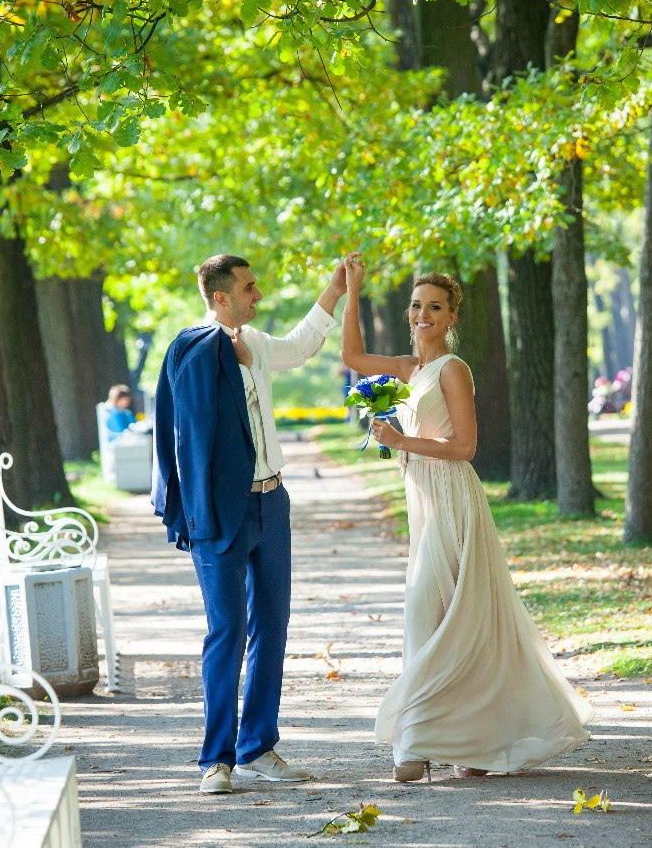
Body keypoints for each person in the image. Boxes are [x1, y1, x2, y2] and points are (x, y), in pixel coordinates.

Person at [339, 257, 590, 783]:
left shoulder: (454, 370)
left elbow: (466, 447)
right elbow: (352, 355)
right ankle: (460, 741)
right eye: (416, 306)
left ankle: (418, 743)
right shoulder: (409, 369)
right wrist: (353, 290)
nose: (423, 314)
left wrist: (400, 440)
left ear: (452, 316)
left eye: (435, 307)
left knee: (432, 613)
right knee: (440, 616)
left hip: (452, 496)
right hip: (422, 500)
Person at [152, 253, 347, 795]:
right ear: (220, 297)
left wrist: (333, 290)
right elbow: (181, 438)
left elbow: (301, 345)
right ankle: (215, 760)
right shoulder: (191, 351)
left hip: (272, 502)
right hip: (220, 510)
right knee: (227, 630)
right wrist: (188, 511)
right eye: (248, 288)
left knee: (272, 626)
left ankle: (258, 746)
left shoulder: (255, 343)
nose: (257, 295)